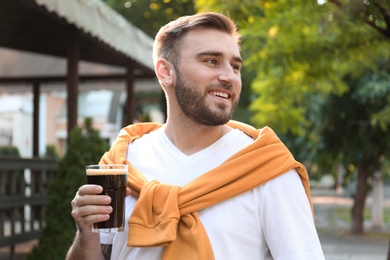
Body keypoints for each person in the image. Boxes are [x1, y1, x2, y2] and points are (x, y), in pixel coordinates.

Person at [66, 12, 325, 260]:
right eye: (211, 61)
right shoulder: (121, 163)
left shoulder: (269, 168)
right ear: (165, 72)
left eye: (235, 66)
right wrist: (85, 235)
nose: (228, 76)